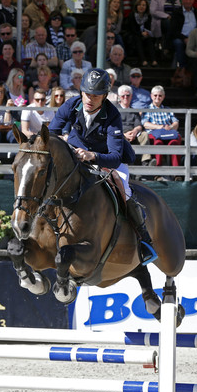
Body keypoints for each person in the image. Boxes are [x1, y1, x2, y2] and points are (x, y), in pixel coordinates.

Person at [49, 68, 156, 265]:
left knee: (125, 189)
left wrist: (92, 156)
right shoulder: (71, 105)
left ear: (105, 96)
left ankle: (144, 240)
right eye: (87, 93)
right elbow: (51, 133)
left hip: (105, 159)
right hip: (75, 154)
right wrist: (62, 143)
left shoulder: (112, 114)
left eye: (96, 96)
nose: (90, 99)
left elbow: (115, 156)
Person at [142, 85, 182, 180]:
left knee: (174, 143)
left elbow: (176, 122)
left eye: (160, 95)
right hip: (155, 134)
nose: (157, 97)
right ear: (151, 96)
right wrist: (160, 127)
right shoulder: (147, 109)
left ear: (163, 97)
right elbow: (145, 124)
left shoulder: (167, 109)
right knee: (158, 143)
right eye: (155, 95)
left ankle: (177, 173)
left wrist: (170, 127)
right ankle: (157, 173)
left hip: (168, 133)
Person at [117, 84, 151, 165]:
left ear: (131, 96)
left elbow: (139, 125)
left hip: (134, 134)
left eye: (128, 95)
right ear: (119, 97)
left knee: (144, 135)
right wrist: (124, 134)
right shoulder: (115, 110)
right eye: (123, 96)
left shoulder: (134, 110)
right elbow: (112, 127)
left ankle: (146, 162)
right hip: (120, 134)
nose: (125, 97)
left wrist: (134, 131)